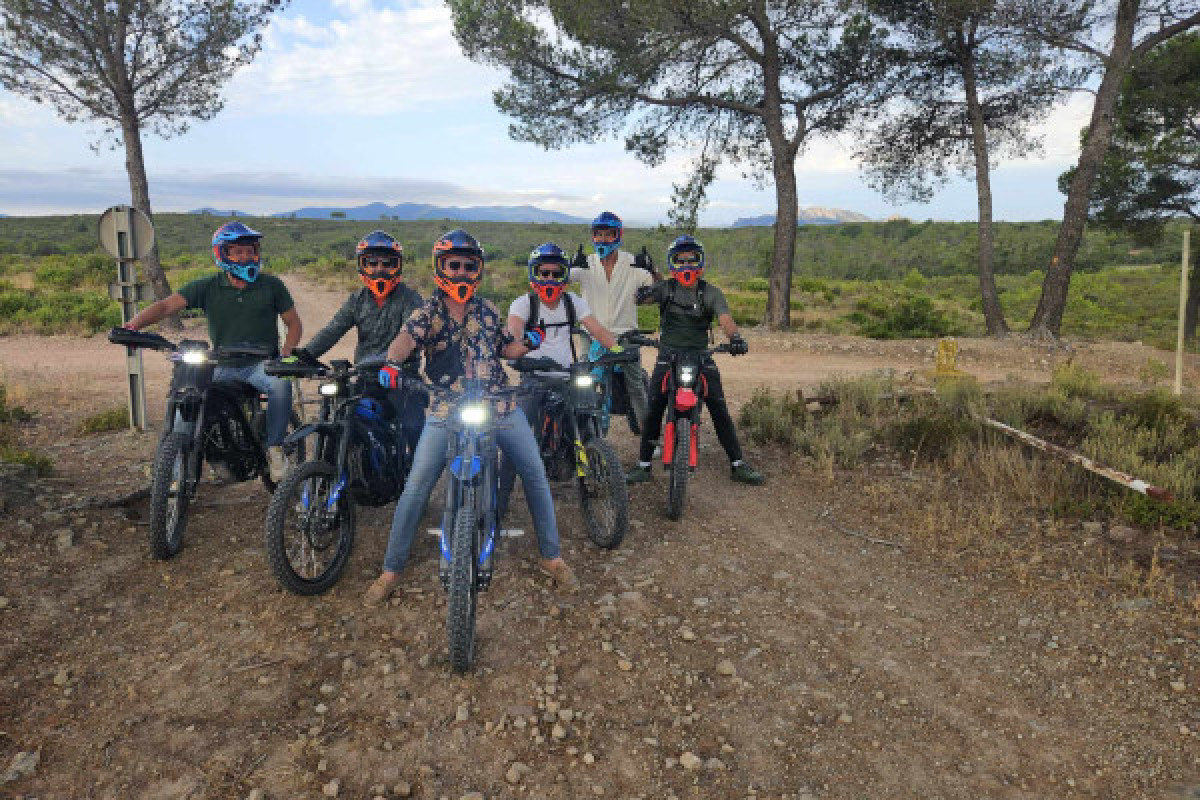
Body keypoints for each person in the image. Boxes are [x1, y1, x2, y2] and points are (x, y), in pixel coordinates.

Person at [363, 229, 577, 607]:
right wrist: (392, 363)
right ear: (441, 268)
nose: (461, 273)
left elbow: (506, 350)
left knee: (534, 475)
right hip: (446, 407)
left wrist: (530, 343)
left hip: (499, 404)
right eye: (454, 265)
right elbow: (405, 339)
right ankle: (391, 570)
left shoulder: (489, 310)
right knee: (417, 484)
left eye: (468, 266)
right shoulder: (426, 312)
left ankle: (552, 557)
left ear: (477, 269)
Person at [124, 221, 301, 481]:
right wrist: (133, 326)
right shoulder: (208, 286)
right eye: (237, 252)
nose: (245, 256)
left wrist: (286, 353)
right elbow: (164, 307)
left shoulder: (272, 286)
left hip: (260, 364)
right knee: (189, 392)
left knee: (280, 386)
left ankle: (275, 450)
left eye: (249, 250)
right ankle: (176, 457)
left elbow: (293, 323)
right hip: (222, 364)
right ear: (222, 255)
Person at [625, 235, 765, 486]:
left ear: (700, 263)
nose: (686, 266)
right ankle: (643, 465)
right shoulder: (666, 287)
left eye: (692, 260)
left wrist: (735, 338)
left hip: (701, 356)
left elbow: (725, 319)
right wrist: (647, 281)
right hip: (668, 355)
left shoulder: (711, 292)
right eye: (681, 261)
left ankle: (738, 464)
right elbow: (642, 298)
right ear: (672, 263)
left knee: (719, 409)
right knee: (655, 407)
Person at [497, 242, 621, 519]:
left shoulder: (573, 302)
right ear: (534, 275)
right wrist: (522, 345)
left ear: (564, 275)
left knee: (588, 415)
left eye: (556, 273)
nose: (550, 279)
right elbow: (513, 333)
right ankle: (499, 499)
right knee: (514, 434)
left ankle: (593, 463)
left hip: (568, 375)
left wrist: (618, 351)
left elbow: (597, 329)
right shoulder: (524, 303)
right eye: (544, 273)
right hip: (534, 376)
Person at [296, 230, 426, 456]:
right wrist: (304, 355)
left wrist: (395, 361)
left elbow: (413, 334)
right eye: (372, 263)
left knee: (414, 426)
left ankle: (418, 479)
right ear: (362, 266)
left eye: (387, 264)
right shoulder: (357, 300)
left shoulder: (410, 299)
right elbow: (333, 329)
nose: (379, 270)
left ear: (398, 266)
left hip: (402, 377)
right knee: (342, 415)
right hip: (365, 374)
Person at [569, 211, 659, 430]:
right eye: (598, 234)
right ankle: (585, 434)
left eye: (609, 234)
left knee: (636, 386)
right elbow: (561, 284)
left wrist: (653, 270)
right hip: (592, 335)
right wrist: (569, 267)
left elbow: (657, 292)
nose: (603, 239)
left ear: (618, 235)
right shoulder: (586, 265)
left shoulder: (632, 265)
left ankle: (649, 438)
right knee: (584, 383)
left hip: (625, 335)